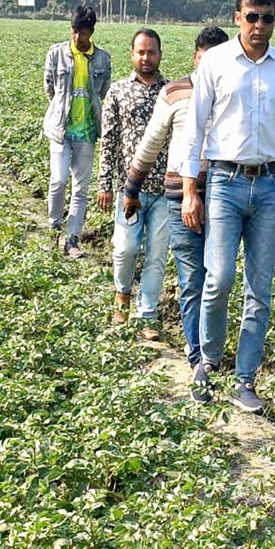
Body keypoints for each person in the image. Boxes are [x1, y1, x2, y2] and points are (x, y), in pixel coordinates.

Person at [180, 0, 275, 413]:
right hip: (224, 181)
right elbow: (194, 128)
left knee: (260, 289)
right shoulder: (216, 63)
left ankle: (245, 380)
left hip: (270, 185)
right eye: (252, 17)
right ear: (237, 17)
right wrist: (189, 190)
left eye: (268, 17)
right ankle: (206, 362)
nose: (259, 25)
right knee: (218, 279)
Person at [122, 26, 230, 369]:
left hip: (224, 193)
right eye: (205, 59)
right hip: (179, 195)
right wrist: (132, 185)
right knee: (191, 275)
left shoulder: (234, 92)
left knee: (217, 275)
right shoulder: (175, 92)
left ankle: (207, 347)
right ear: (196, 57)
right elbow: (152, 141)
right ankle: (198, 353)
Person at [96, 28, 169, 337]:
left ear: (160, 55)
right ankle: (122, 294)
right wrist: (105, 184)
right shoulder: (118, 91)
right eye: (140, 51)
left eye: (151, 52)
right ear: (132, 54)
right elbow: (109, 140)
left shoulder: (171, 91)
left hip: (166, 189)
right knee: (125, 249)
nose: (146, 57)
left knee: (156, 254)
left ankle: (147, 314)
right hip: (131, 189)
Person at [42, 5, 112, 258]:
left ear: (91, 32)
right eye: (74, 32)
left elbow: (103, 91)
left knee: (80, 189)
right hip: (61, 130)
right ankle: (54, 229)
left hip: (88, 131)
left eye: (82, 33)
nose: (77, 37)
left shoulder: (102, 59)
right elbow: (49, 87)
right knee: (58, 180)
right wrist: (62, 109)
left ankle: (72, 240)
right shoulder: (56, 54)